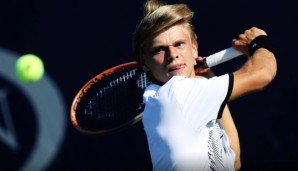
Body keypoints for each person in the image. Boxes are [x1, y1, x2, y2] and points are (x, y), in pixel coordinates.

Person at [133, 0, 277, 171]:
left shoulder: (162, 99)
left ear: (194, 47)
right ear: (144, 62)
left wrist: (209, 79)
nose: (172, 55)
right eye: (159, 50)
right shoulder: (177, 94)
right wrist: (259, 42)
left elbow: (233, 159)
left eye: (179, 44)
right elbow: (262, 74)